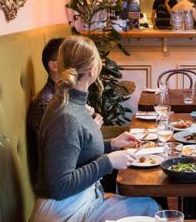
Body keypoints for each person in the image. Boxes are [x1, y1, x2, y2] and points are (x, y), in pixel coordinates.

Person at [31, 36, 159, 221]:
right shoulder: (66, 116)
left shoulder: (69, 100)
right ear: (93, 70)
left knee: (149, 205)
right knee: (150, 208)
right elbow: (58, 186)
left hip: (82, 199)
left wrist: (112, 144)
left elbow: (76, 150)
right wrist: (108, 162)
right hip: (64, 210)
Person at [27, 38, 103, 185]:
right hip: (66, 200)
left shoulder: (67, 98)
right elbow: (59, 175)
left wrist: (112, 144)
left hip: (85, 187)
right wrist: (92, 128)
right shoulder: (56, 106)